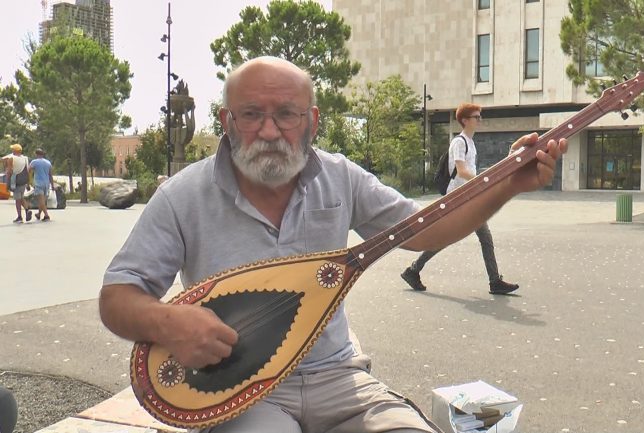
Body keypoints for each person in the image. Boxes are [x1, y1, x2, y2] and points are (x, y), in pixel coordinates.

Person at [98, 56, 567, 433]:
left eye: (286, 114)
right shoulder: (182, 196)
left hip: (338, 377)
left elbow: (421, 228)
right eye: (251, 115)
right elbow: (118, 296)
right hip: (245, 392)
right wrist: (168, 322)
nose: (268, 130)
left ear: (312, 121)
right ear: (226, 120)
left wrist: (506, 184)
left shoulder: (340, 177)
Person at [401, 103, 520, 295]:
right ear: (465, 120)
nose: (479, 120)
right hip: (457, 199)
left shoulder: (471, 144)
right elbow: (463, 171)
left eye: (480, 116)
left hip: (468, 198)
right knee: (452, 238)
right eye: (476, 117)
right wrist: (483, 181)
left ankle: (413, 270)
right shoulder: (459, 142)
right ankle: (413, 270)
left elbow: (469, 172)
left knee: (477, 238)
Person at [3, 143, 32, 223]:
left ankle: (19, 216)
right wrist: (28, 183)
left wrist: (7, 184)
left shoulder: (11, 158)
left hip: (15, 181)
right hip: (23, 181)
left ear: (14, 151)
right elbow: (28, 171)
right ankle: (27, 210)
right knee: (21, 197)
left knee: (17, 200)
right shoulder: (25, 158)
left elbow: (9, 172)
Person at [29, 148, 55, 222]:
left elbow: (29, 170)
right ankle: (39, 214)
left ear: (36, 154)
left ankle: (46, 215)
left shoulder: (34, 162)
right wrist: (52, 185)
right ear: (43, 154)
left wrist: (29, 181)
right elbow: (50, 175)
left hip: (38, 183)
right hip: (46, 184)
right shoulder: (48, 162)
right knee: (43, 201)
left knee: (41, 201)